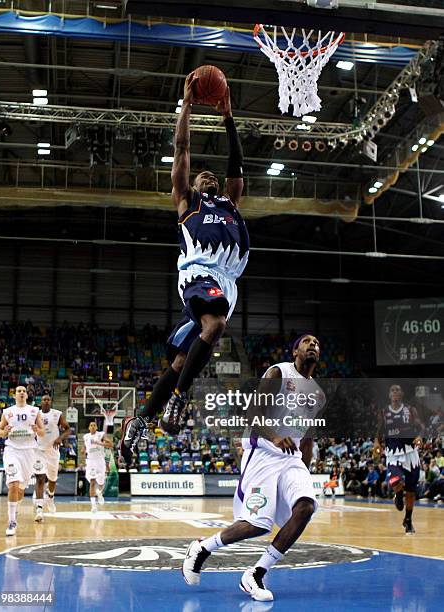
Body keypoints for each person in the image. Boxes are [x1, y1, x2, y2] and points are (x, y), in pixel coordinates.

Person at [120, 71, 249, 462]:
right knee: (216, 325)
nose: (207, 175)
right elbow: (181, 148)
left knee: (179, 361)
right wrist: (187, 105)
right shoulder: (187, 201)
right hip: (198, 272)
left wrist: (228, 118)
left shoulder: (230, 202)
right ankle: (179, 400)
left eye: (214, 176)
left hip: (226, 283)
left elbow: (236, 162)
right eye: (201, 174)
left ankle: (138, 425)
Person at [182, 334, 322, 602]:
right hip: (264, 453)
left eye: (316, 343)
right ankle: (202, 548)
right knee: (258, 524)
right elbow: (253, 414)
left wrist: (304, 470)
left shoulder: (318, 393)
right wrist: (273, 436)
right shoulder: (279, 372)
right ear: (295, 350)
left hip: (291, 460)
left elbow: (307, 438)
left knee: (306, 506)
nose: (312, 345)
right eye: (306, 341)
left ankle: (256, 572)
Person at [374, 384, 424, 534]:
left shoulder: (411, 410)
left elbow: (421, 426)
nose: (395, 392)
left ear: (401, 394)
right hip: (393, 453)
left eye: (397, 390)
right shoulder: (383, 412)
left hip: (411, 452)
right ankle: (398, 494)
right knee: (395, 479)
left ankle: (408, 520)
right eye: (392, 390)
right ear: (389, 395)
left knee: (411, 491)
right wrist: (376, 442)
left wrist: (420, 436)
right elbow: (379, 430)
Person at [0, 385, 45, 535]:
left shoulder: (34, 411)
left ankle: (15, 507)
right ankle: (12, 522)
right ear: (14, 395)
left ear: (27, 395)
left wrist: (38, 430)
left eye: (24, 391)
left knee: (21, 489)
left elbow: (43, 432)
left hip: (29, 452)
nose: (22, 393)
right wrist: (3, 432)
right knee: (13, 484)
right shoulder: (8, 411)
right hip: (12, 450)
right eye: (19, 391)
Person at [33, 395, 71, 520]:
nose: (46, 401)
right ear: (41, 402)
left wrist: (60, 438)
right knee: (40, 478)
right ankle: (39, 509)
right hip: (39, 450)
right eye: (44, 399)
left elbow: (68, 429)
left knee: (52, 479)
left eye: (48, 399)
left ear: (51, 402)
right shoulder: (35, 414)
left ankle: (51, 497)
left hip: (53, 452)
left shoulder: (57, 414)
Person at [83, 421, 112, 513]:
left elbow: (110, 445)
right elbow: (85, 448)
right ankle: (93, 505)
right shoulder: (86, 437)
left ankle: (99, 493)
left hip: (100, 461)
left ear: (96, 427)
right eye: (91, 425)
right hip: (91, 462)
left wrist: (99, 443)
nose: (92, 427)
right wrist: (83, 450)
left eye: (94, 425)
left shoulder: (101, 435)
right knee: (92, 482)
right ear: (89, 427)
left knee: (101, 483)